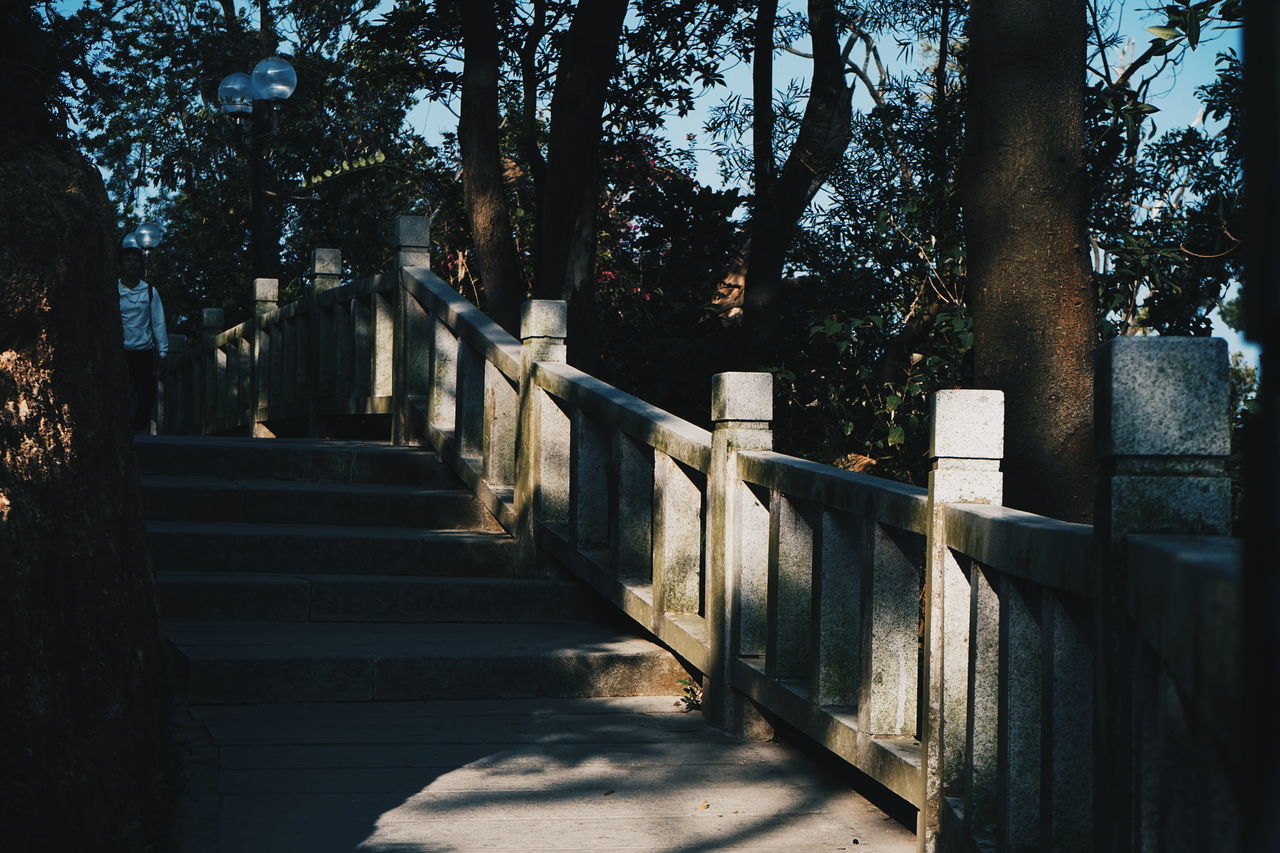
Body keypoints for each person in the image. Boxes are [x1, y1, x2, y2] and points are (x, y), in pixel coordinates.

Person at [117, 246, 168, 432]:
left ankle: (137, 429)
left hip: (143, 350)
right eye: (128, 260)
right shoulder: (113, 290)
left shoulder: (149, 291)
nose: (132, 263)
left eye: (136, 260)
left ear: (141, 265)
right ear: (121, 264)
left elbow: (158, 322)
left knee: (146, 394)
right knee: (118, 391)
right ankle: (120, 428)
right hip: (119, 351)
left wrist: (163, 352)